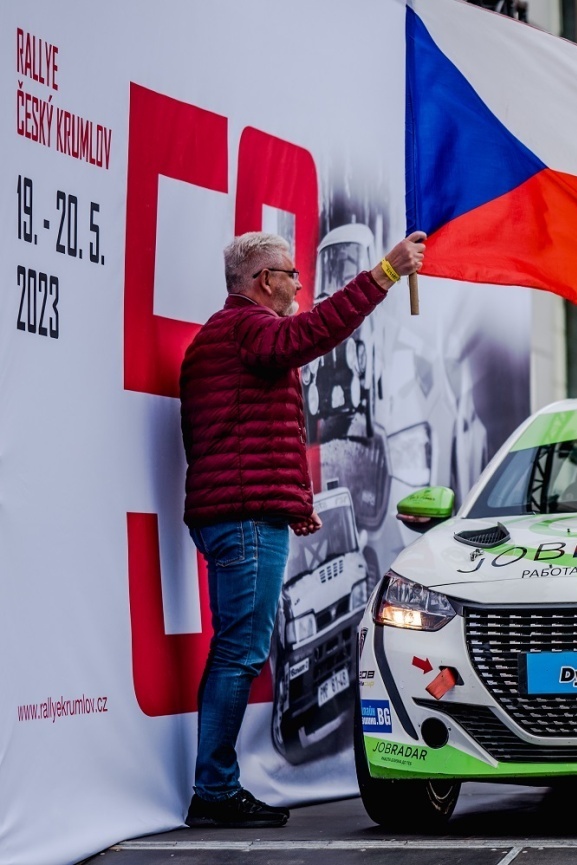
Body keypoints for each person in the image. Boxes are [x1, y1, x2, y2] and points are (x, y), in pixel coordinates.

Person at [179, 230, 425, 828]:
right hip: (244, 522)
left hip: (241, 515)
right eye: (291, 273)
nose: (298, 284)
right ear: (265, 280)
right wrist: (385, 274)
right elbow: (311, 334)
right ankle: (214, 790)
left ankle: (215, 785)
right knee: (239, 652)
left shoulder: (226, 337)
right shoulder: (248, 328)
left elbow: (242, 440)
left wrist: (292, 500)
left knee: (237, 649)